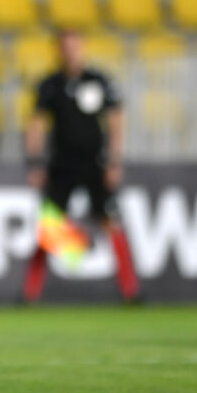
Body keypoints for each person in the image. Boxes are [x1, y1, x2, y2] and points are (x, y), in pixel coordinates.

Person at [22, 28, 139, 304]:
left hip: (94, 163)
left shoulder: (97, 81)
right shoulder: (49, 85)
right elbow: (35, 126)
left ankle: (129, 291)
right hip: (61, 164)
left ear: (82, 48)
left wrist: (113, 160)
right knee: (49, 227)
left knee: (110, 221)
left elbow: (115, 121)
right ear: (58, 50)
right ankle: (30, 293)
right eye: (65, 46)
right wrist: (35, 163)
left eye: (74, 46)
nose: (70, 51)